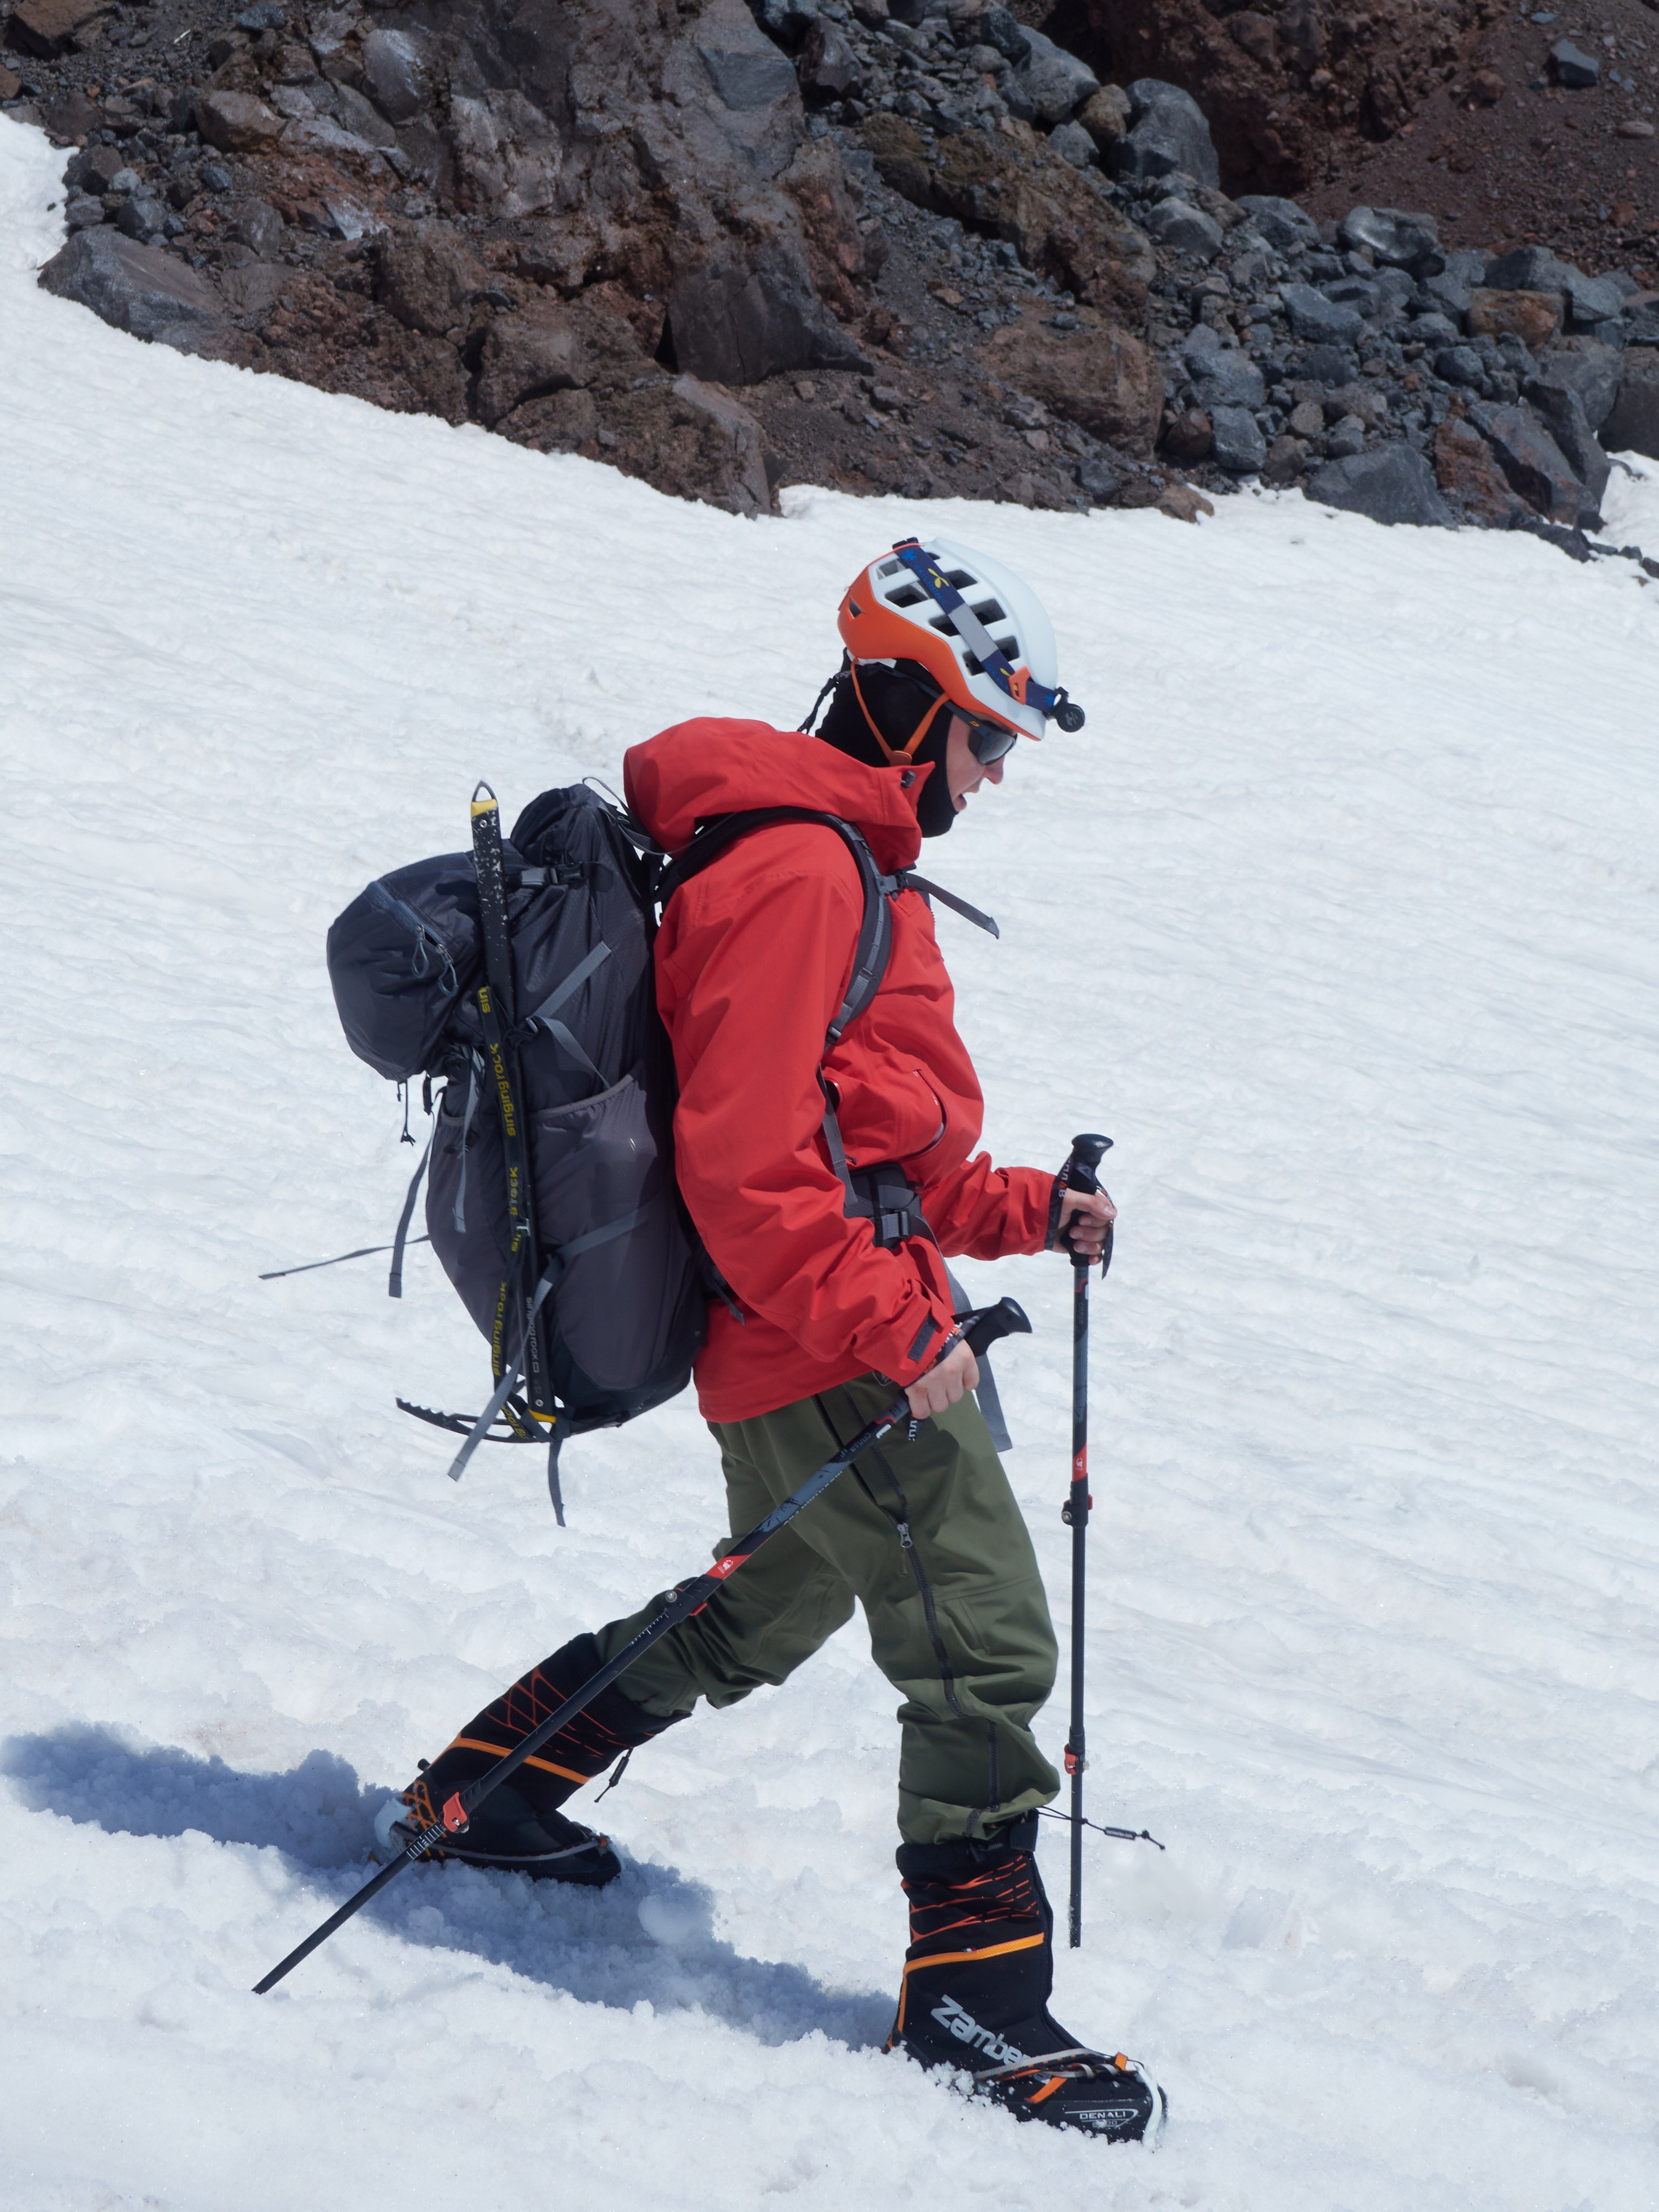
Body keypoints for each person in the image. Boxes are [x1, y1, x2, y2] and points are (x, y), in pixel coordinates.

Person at [380, 537, 1163, 2142]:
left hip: (822, 1331)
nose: (993, 776)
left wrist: (1023, 1213)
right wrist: (891, 1324)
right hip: (833, 1342)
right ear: (901, 707)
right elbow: (743, 1161)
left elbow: (884, 1141)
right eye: (985, 737)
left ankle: (489, 1785)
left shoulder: (843, 867)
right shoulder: (796, 873)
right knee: (984, 1644)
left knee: (763, 1609)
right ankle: (979, 2009)